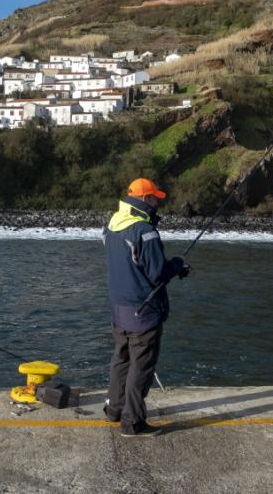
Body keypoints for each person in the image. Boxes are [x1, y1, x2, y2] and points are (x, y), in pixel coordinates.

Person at [102, 178, 190, 437]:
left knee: (121, 360)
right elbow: (157, 273)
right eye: (154, 198)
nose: (157, 202)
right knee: (141, 369)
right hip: (144, 312)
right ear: (144, 199)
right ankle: (132, 423)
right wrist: (177, 265)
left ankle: (113, 410)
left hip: (119, 309)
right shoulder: (144, 231)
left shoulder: (113, 224)